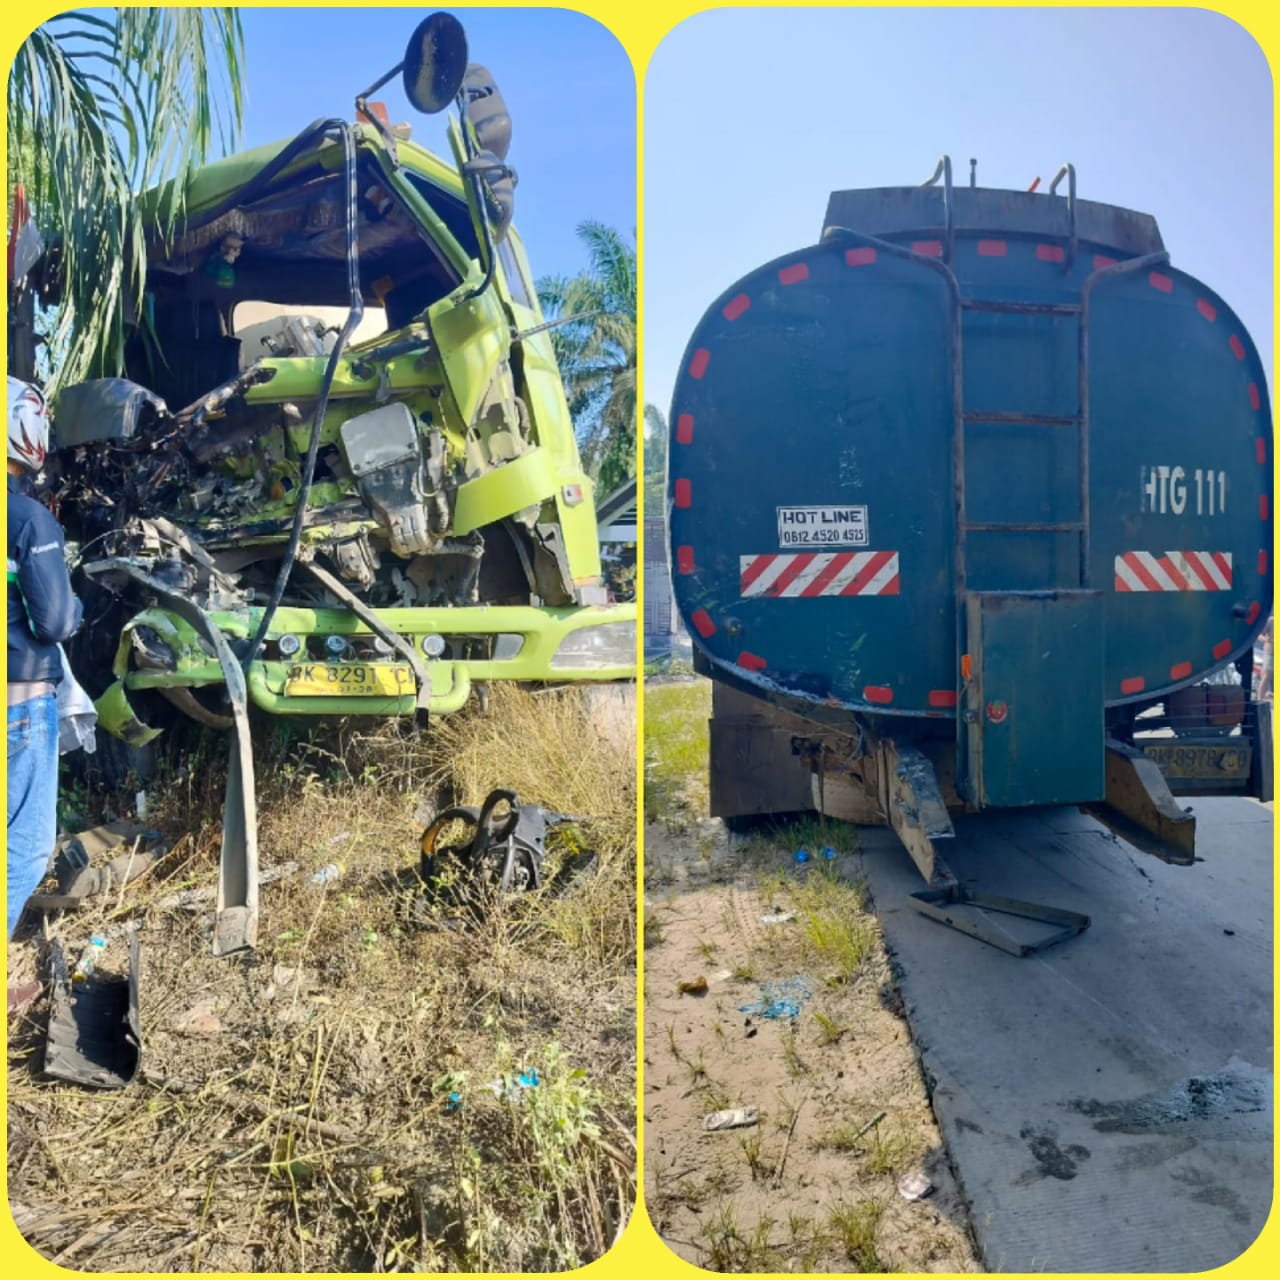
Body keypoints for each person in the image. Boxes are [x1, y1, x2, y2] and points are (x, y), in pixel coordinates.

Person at [7, 376, 82, 952]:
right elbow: (54, 620)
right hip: (20, 708)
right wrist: (78, 602)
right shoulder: (28, 519)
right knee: (24, 849)